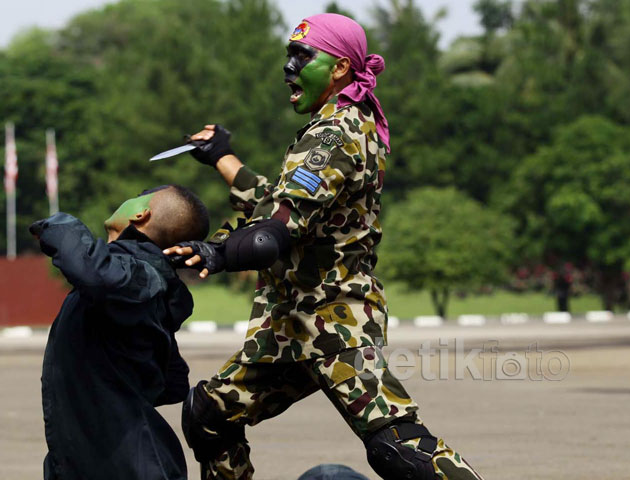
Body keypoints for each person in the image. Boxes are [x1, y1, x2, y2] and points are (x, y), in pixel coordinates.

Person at [169, 14, 484, 480]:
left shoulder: (333, 134)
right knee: (211, 416)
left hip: (333, 322)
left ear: (339, 68)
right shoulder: (339, 126)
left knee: (398, 447)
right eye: (288, 56)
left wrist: (217, 253)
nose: (289, 68)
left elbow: (271, 234)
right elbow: (280, 203)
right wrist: (221, 157)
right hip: (290, 326)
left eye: (302, 56)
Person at [31, 184, 210, 480]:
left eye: (137, 195)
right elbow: (172, 382)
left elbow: (91, 271)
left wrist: (58, 223)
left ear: (141, 214)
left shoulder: (139, 272)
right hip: (87, 460)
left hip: (130, 465)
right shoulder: (143, 282)